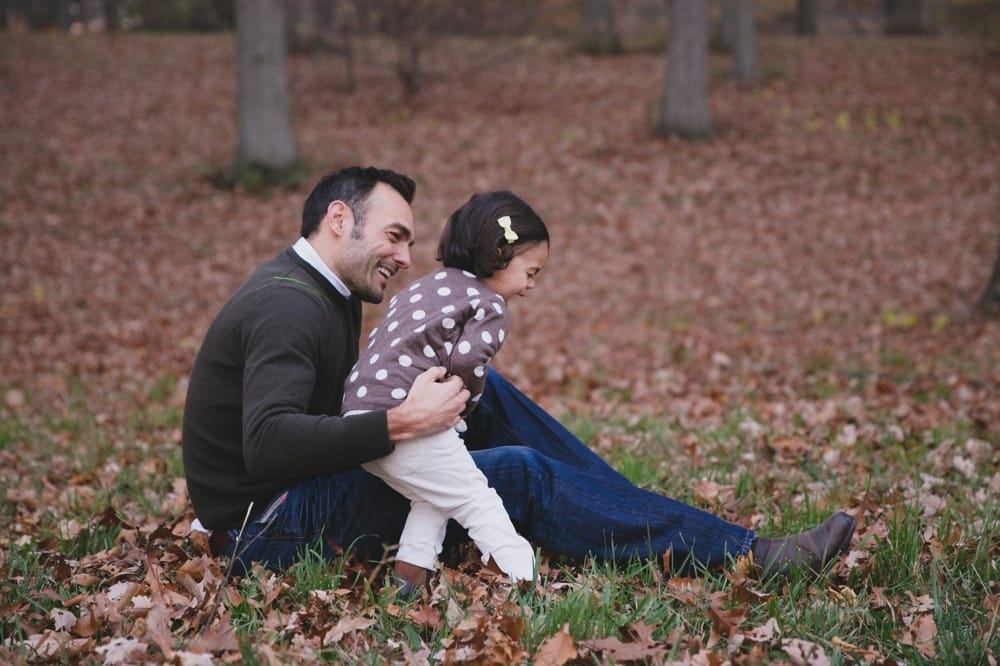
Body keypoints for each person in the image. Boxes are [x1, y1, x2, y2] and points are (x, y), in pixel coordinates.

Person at [182, 166, 856, 592]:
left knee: (484, 389)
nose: (404, 256)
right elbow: (266, 444)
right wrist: (399, 423)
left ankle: (620, 506)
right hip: (269, 532)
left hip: (297, 498)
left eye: (412, 241)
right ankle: (750, 556)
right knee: (522, 474)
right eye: (392, 236)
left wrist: (414, 410)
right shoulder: (286, 304)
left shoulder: (318, 290)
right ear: (338, 220)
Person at [343, 191, 549, 589]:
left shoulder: (433, 285)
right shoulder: (489, 304)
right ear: (501, 255)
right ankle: (523, 580)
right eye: (531, 271)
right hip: (412, 422)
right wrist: (461, 407)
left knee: (432, 495)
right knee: (476, 499)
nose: (530, 286)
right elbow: (468, 362)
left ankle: (409, 576)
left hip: (363, 420)